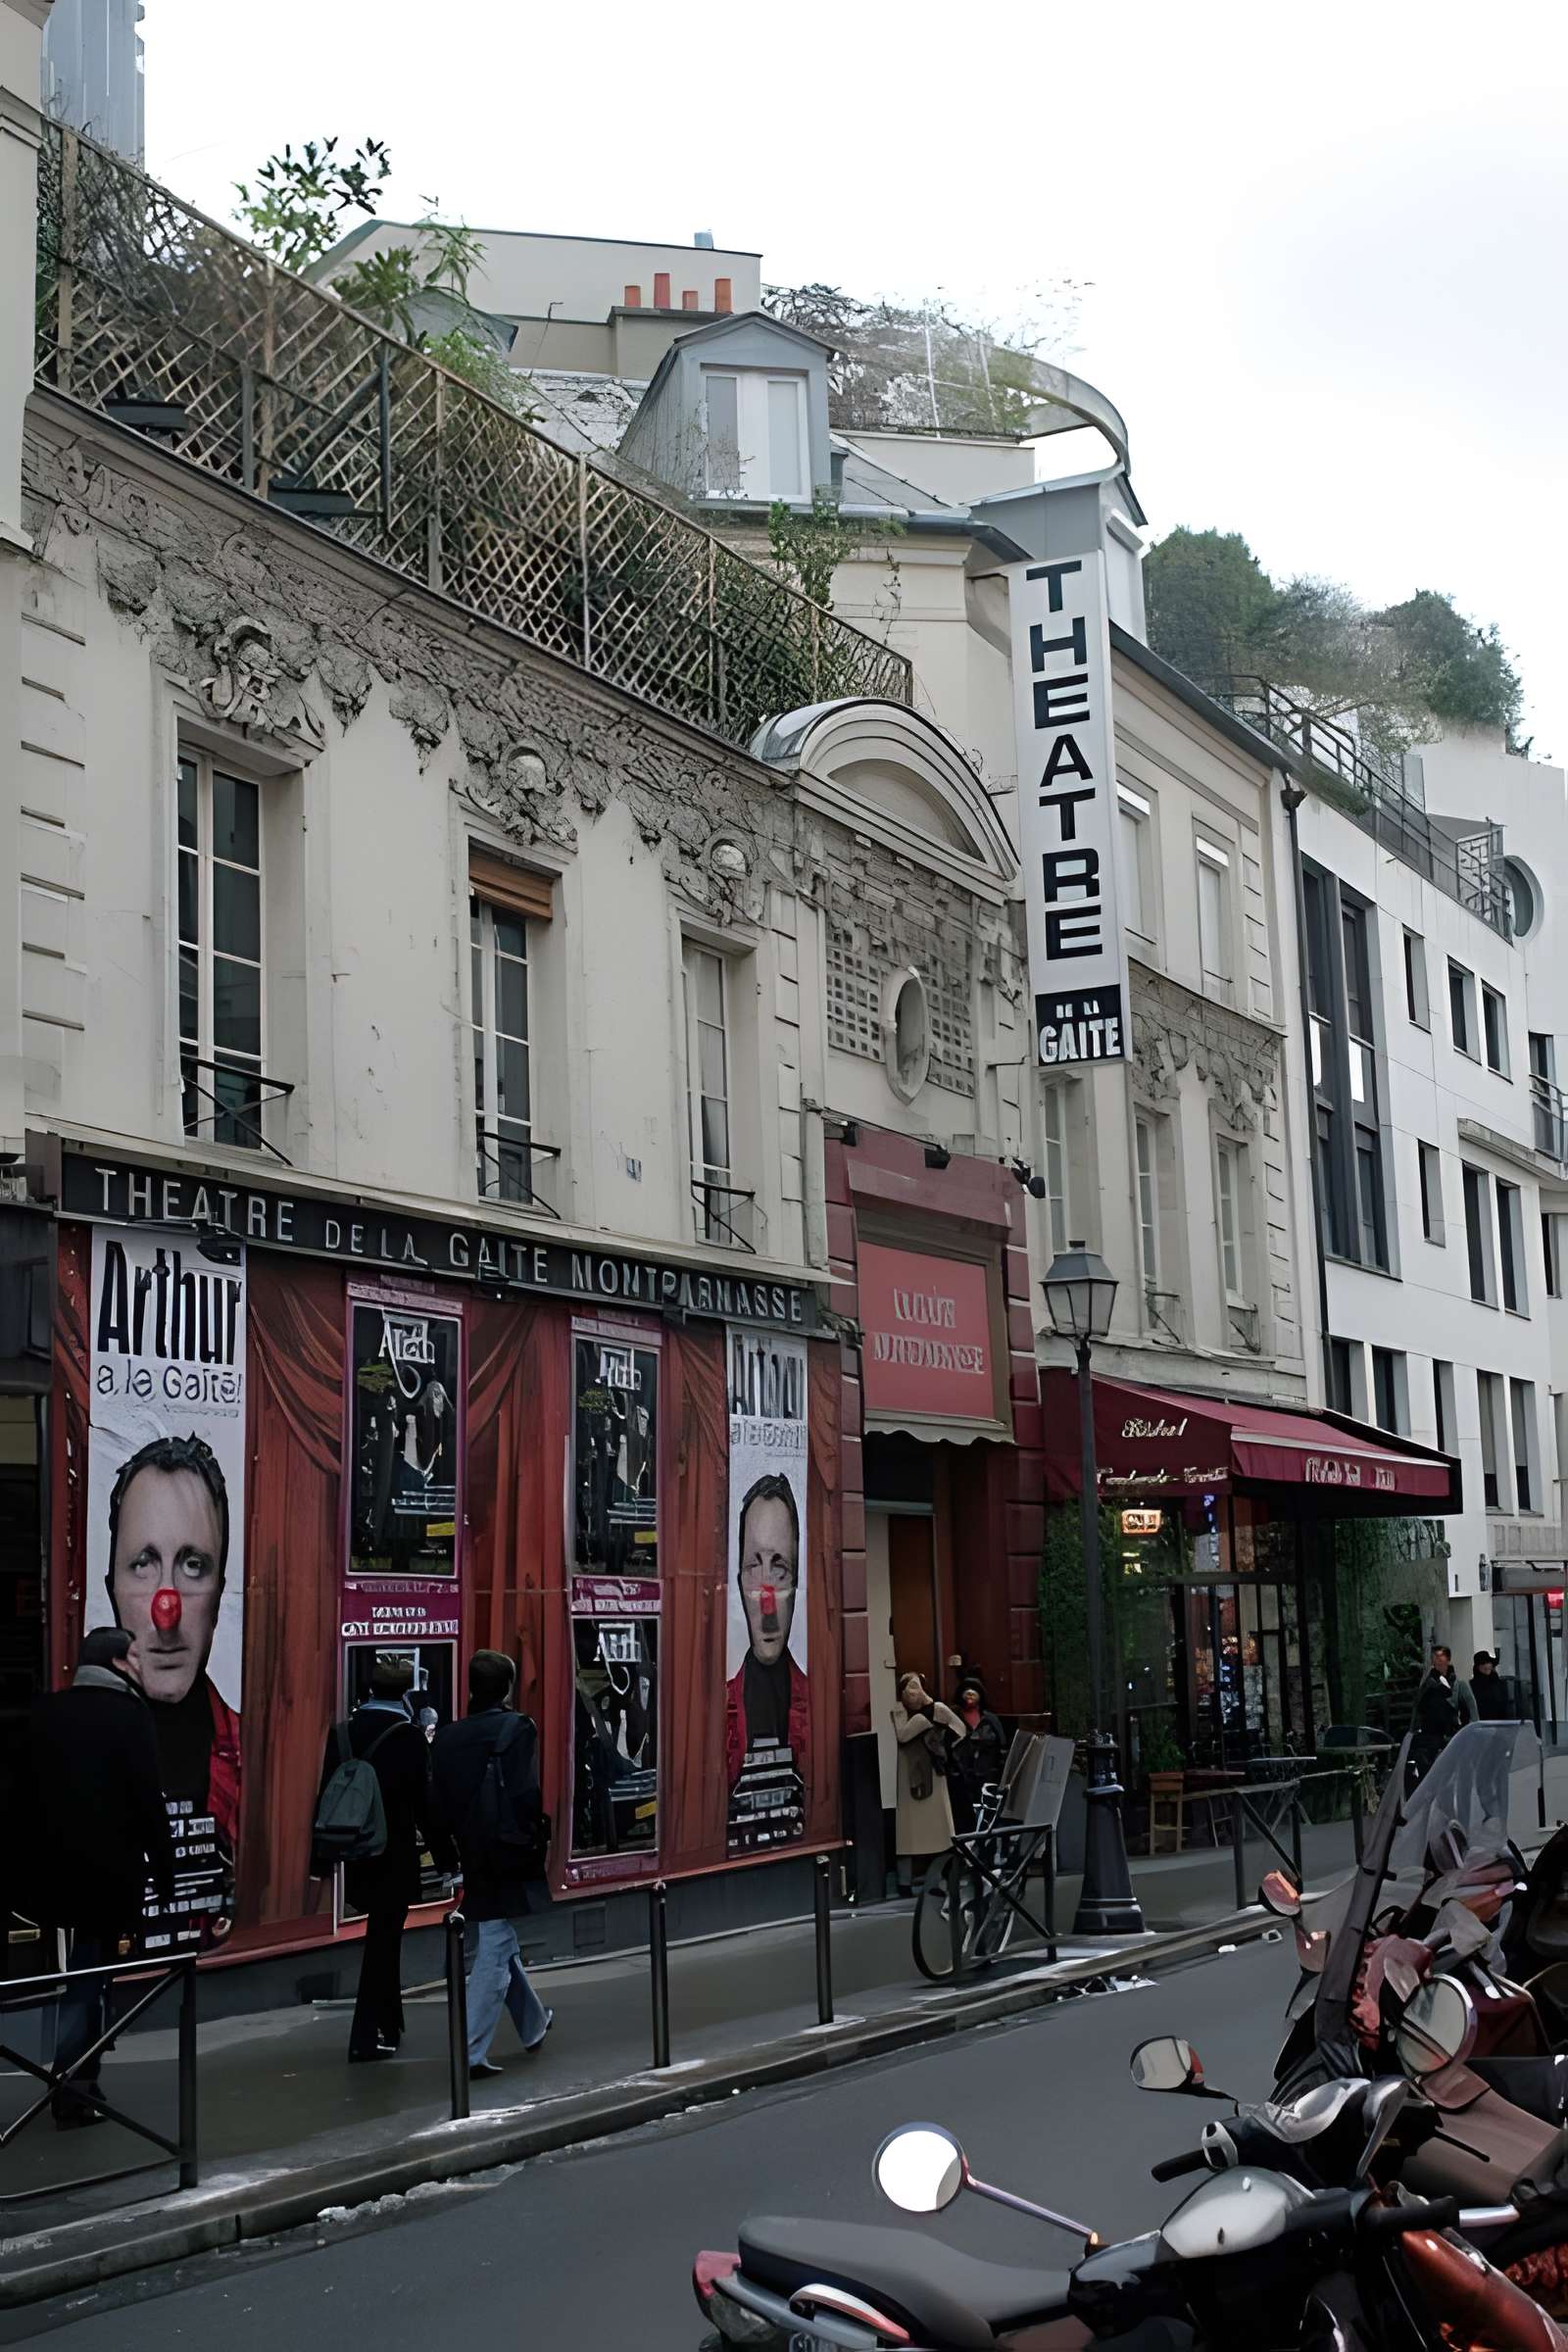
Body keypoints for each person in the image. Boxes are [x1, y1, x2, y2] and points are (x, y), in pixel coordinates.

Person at [21, 1627, 174, 2126]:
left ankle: (80, 2079)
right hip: (106, 1876)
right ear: (117, 1663)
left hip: (48, 1876)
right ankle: (73, 2089)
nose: (142, 1664)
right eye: (135, 1656)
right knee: (90, 1981)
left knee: (82, 1977)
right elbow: (147, 1800)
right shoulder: (129, 1715)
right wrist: (165, 1872)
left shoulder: (47, 1711)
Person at [103, 1433, 240, 1856]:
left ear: (219, 1594)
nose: (168, 1612)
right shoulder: (76, 1752)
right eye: (142, 1564)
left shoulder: (255, 1754)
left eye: (193, 1565)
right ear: (111, 1589)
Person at [319, 1656, 455, 2062]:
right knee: (383, 1942)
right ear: (406, 1693)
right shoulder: (409, 1737)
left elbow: (326, 1794)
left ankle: (391, 2022)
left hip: (354, 1851)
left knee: (384, 1939)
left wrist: (318, 1858)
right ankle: (364, 2037)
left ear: (371, 1689)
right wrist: (447, 1860)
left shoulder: (344, 1732)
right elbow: (426, 1805)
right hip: (393, 1854)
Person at [430, 1650, 553, 2080]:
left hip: (469, 1848)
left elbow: (435, 1804)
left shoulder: (447, 1738)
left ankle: (533, 2023)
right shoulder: (517, 1728)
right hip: (507, 1848)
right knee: (496, 1943)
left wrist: (447, 1855)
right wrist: (536, 1837)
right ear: (506, 1688)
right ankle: (469, 2051)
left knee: (498, 1935)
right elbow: (525, 1793)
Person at [724, 1474, 808, 1787]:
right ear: (738, 1580)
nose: (768, 1607)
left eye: (780, 1568)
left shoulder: (815, 1699)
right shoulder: (719, 1701)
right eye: (753, 1567)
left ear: (797, 1582)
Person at [892, 1671, 966, 1894]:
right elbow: (903, 1735)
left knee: (939, 1834)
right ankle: (909, 1881)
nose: (912, 1693)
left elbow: (960, 1730)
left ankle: (940, 1877)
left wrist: (943, 1742)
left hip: (931, 1774)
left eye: (915, 1686)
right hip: (913, 1776)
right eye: (908, 1688)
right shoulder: (909, 1711)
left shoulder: (932, 1711)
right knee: (911, 1836)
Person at [949, 1671, 1006, 1832]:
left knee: (987, 1818)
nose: (970, 1693)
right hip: (960, 1780)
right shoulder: (952, 1717)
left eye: (974, 1690)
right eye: (966, 1690)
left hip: (987, 1778)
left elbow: (1002, 1746)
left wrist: (999, 1774)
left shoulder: (990, 1719)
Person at [1411, 1642, 1470, 1782]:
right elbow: (1418, 1708)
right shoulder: (1427, 1685)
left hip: (1451, 1735)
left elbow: (1469, 1710)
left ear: (1448, 1659)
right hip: (1430, 1737)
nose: (1438, 1660)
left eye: (1441, 1656)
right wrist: (1414, 1730)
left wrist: (1465, 1733)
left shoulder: (1458, 1684)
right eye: (1435, 1657)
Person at [1469, 1649, 1517, 1721]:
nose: (1488, 1665)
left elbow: (1505, 1706)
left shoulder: (1498, 1683)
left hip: (1500, 1723)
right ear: (1478, 1667)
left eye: (1489, 1663)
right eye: (1483, 1663)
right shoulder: (1472, 1685)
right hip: (1481, 1724)